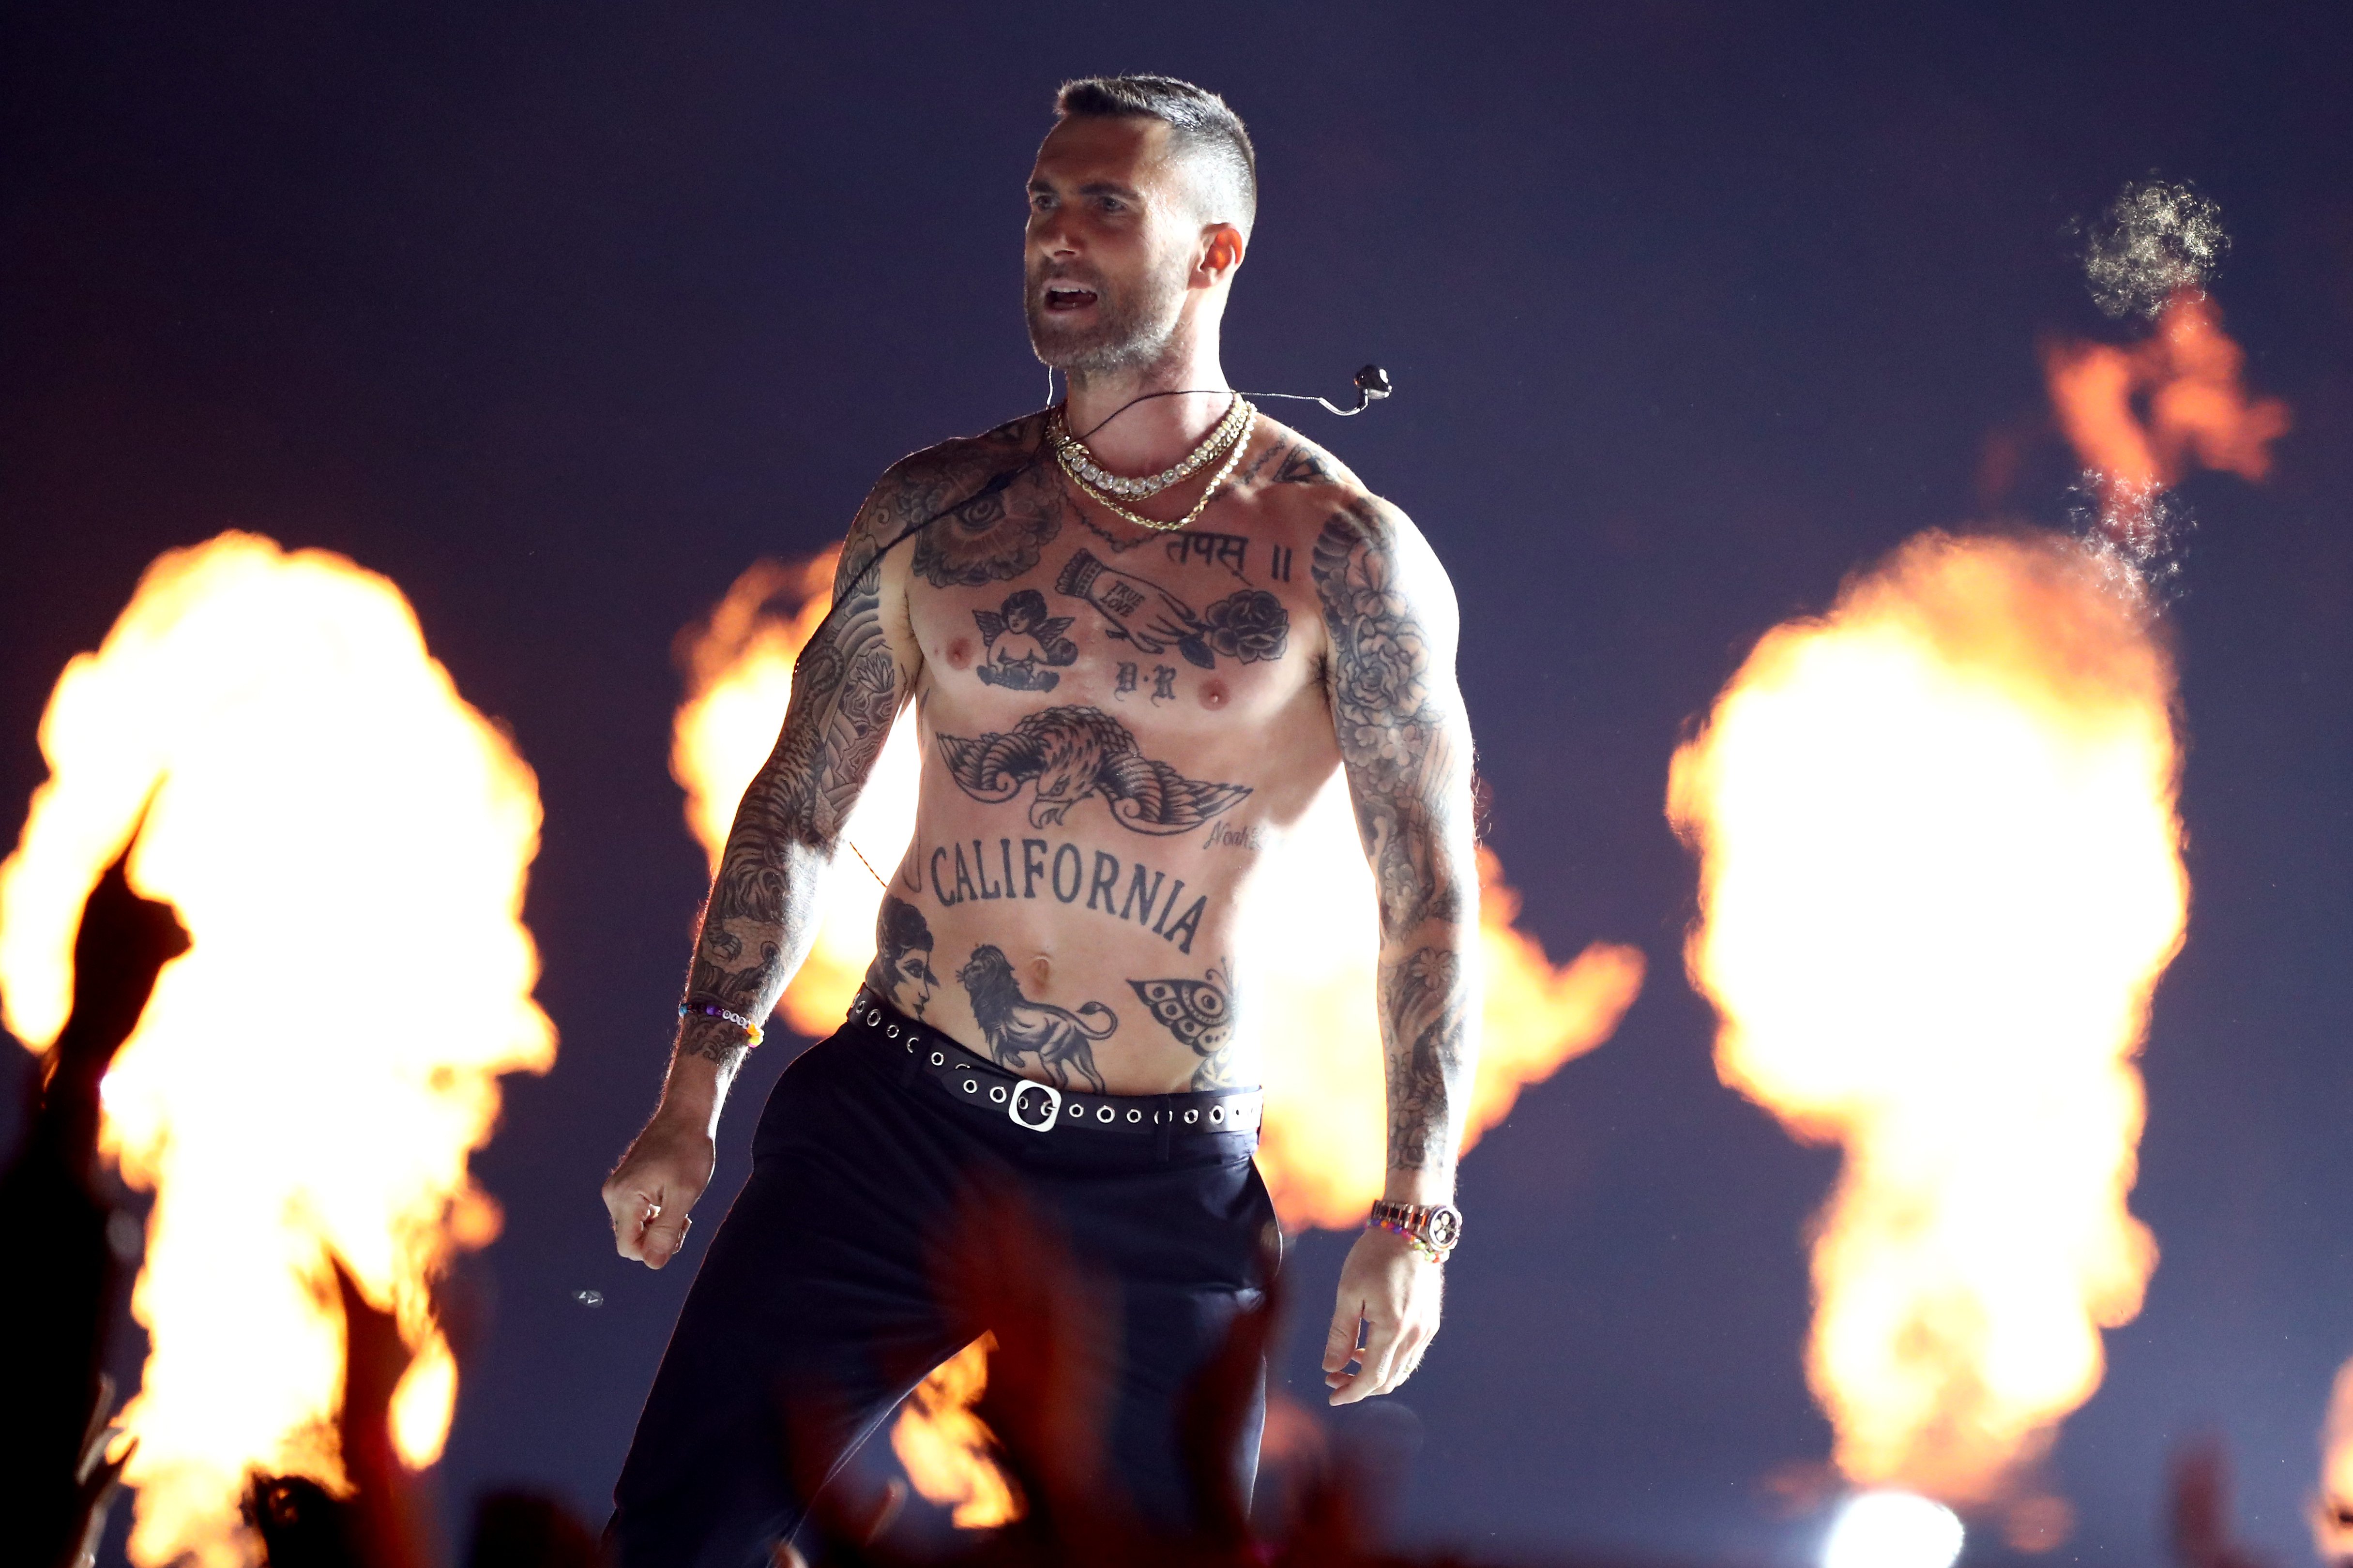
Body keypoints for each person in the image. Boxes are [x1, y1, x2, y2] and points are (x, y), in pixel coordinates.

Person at [602, 74, 1479, 1567]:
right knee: (675, 1541)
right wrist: (694, 1094)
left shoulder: (1344, 555)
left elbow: (1431, 900)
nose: (1056, 236)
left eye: (1107, 205)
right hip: (891, 1122)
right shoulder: (935, 508)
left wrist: (1414, 1219)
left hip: (1162, 1177)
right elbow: (801, 806)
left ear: (1215, 254)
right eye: (1041, 203)